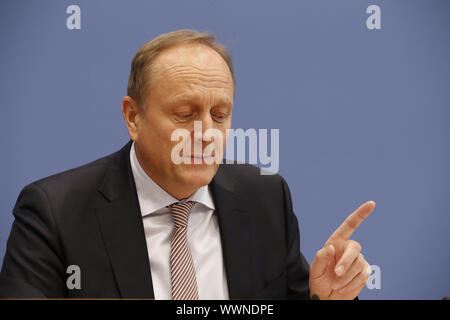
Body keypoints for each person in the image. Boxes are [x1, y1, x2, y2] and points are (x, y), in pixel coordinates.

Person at [0, 29, 374, 299]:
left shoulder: (265, 198)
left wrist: (323, 299)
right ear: (133, 117)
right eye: (185, 114)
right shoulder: (55, 213)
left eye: (220, 114)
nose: (207, 133)